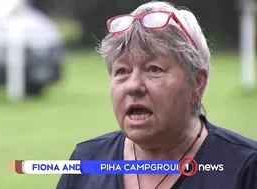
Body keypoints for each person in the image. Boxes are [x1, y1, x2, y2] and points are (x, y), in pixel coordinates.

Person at [56, 1, 257, 189]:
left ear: (197, 82)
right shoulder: (86, 162)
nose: (133, 86)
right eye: (122, 71)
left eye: (154, 69)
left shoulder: (245, 168)